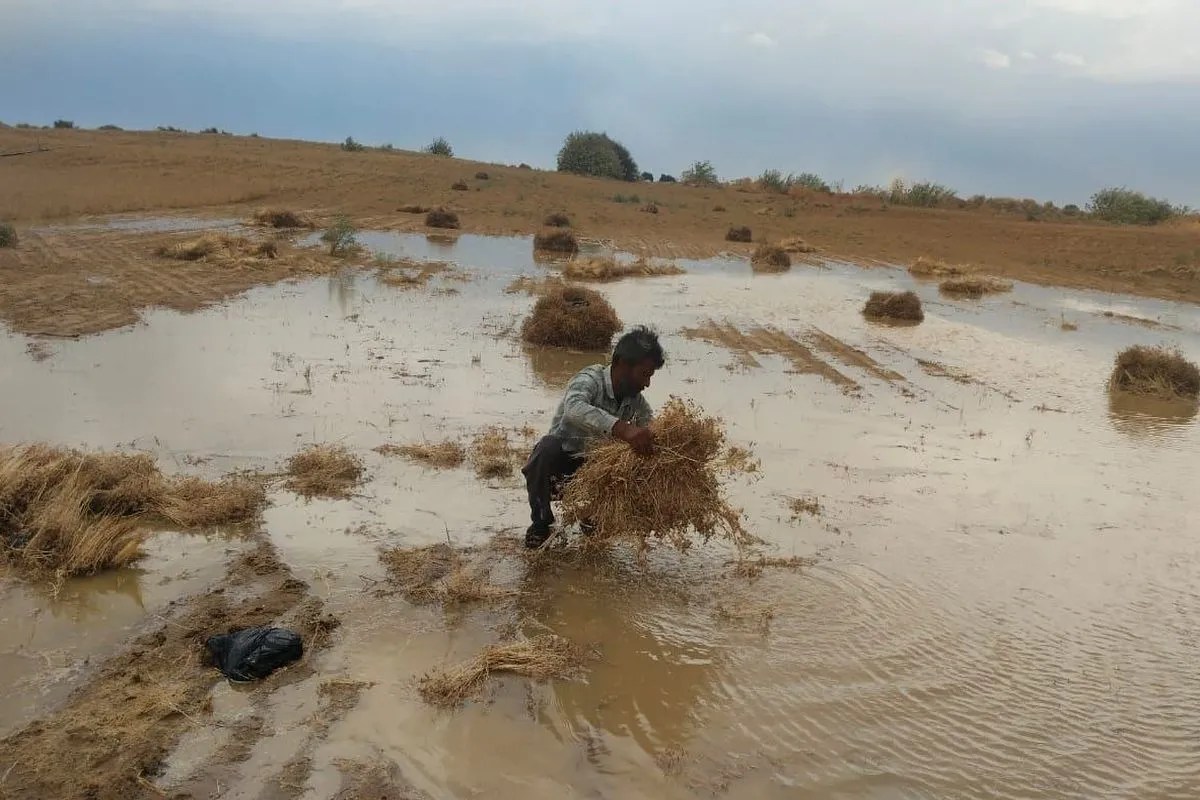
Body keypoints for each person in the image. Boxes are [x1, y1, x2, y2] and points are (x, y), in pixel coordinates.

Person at [521, 326, 665, 548]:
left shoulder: (637, 403)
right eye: (644, 374)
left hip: (595, 474)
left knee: (634, 463)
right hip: (561, 471)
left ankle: (594, 517)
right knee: (546, 448)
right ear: (622, 364)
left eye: (650, 376)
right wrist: (623, 429)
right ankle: (540, 524)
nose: (647, 384)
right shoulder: (590, 379)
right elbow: (574, 407)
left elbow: (651, 431)